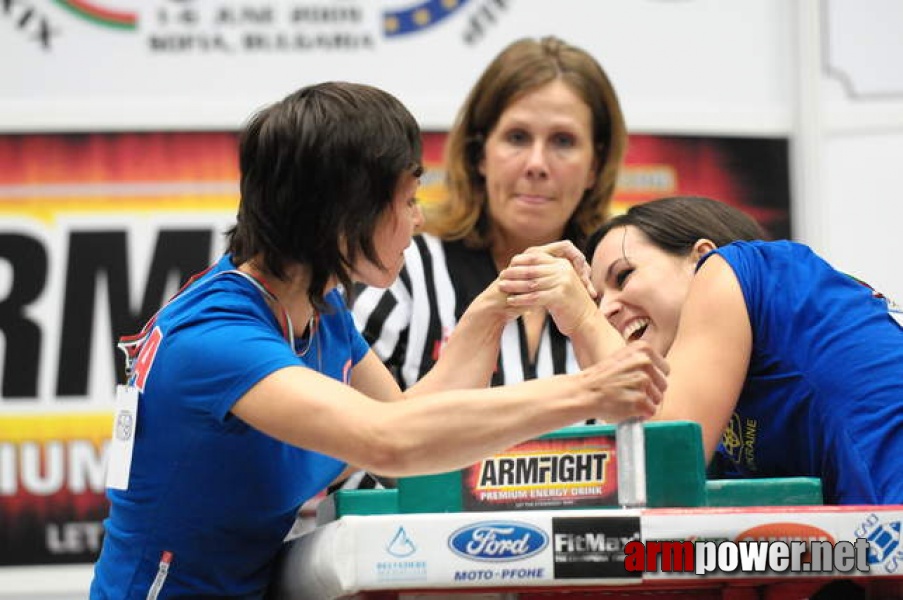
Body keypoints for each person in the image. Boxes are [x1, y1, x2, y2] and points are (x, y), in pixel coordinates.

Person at [88, 81, 667, 599]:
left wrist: (493, 308)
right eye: (409, 198)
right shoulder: (215, 338)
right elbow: (387, 441)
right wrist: (589, 391)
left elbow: (409, 433)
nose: (418, 221)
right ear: (346, 211)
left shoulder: (318, 305)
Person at [557, 195, 901, 505]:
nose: (606, 311)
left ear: (701, 257)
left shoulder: (733, 267)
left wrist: (583, 319)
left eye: (624, 275)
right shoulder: (726, 422)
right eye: (597, 301)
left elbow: (663, 460)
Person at [352, 35, 626, 390]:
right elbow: (349, 425)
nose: (537, 164)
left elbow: (655, 422)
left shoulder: (619, 284)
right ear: (479, 153)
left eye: (563, 141)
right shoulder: (406, 268)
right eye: (517, 137)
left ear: (595, 165)